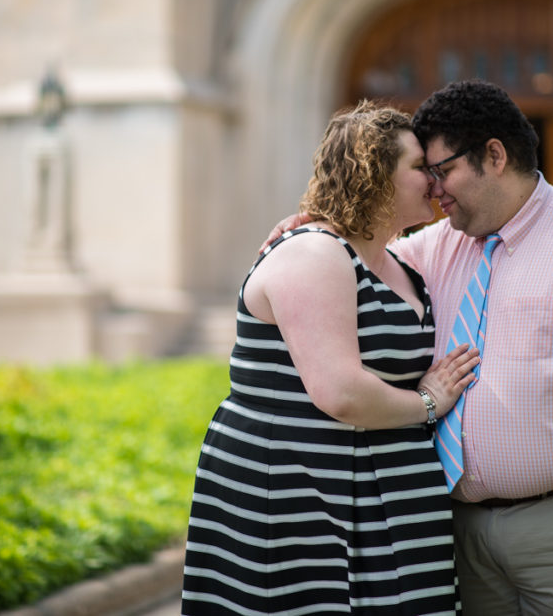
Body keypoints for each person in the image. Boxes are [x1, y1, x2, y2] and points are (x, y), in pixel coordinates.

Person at [267, 79, 553, 614]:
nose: (434, 190)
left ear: (493, 155)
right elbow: (355, 250)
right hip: (456, 536)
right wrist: (312, 224)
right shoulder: (426, 250)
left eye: (442, 171)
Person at [181, 101, 479, 615]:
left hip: (388, 494)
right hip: (300, 491)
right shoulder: (313, 253)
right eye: (418, 168)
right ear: (373, 173)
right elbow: (339, 391)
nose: (433, 182)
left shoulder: (397, 259)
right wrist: (429, 401)